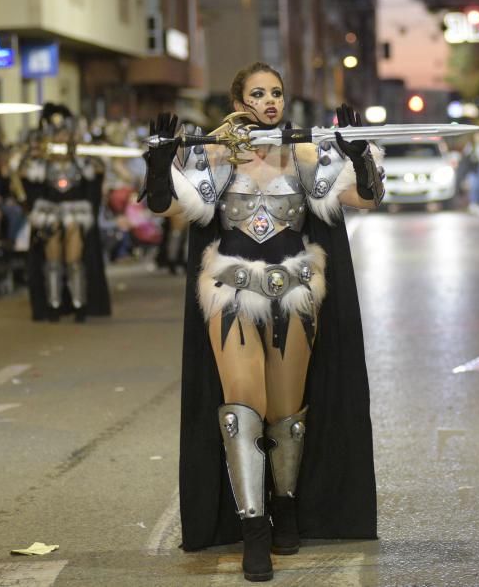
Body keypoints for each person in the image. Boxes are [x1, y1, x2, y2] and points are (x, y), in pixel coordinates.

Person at [144, 62, 380, 582]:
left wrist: (361, 157)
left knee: (284, 410)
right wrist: (160, 165)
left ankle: (287, 508)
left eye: (276, 91)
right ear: (238, 99)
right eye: (258, 93)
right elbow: (168, 207)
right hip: (229, 289)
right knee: (242, 406)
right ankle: (255, 531)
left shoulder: (303, 155)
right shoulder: (213, 155)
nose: (269, 101)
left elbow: (364, 198)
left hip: (295, 289)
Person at [18, 104, 111, 323]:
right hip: (49, 214)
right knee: (52, 258)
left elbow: (98, 171)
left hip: (76, 213)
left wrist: (88, 150)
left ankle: (79, 304)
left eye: (64, 133)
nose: (60, 137)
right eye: (56, 133)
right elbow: (22, 175)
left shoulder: (81, 162)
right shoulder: (41, 164)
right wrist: (32, 154)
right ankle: (54, 304)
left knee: (74, 258)